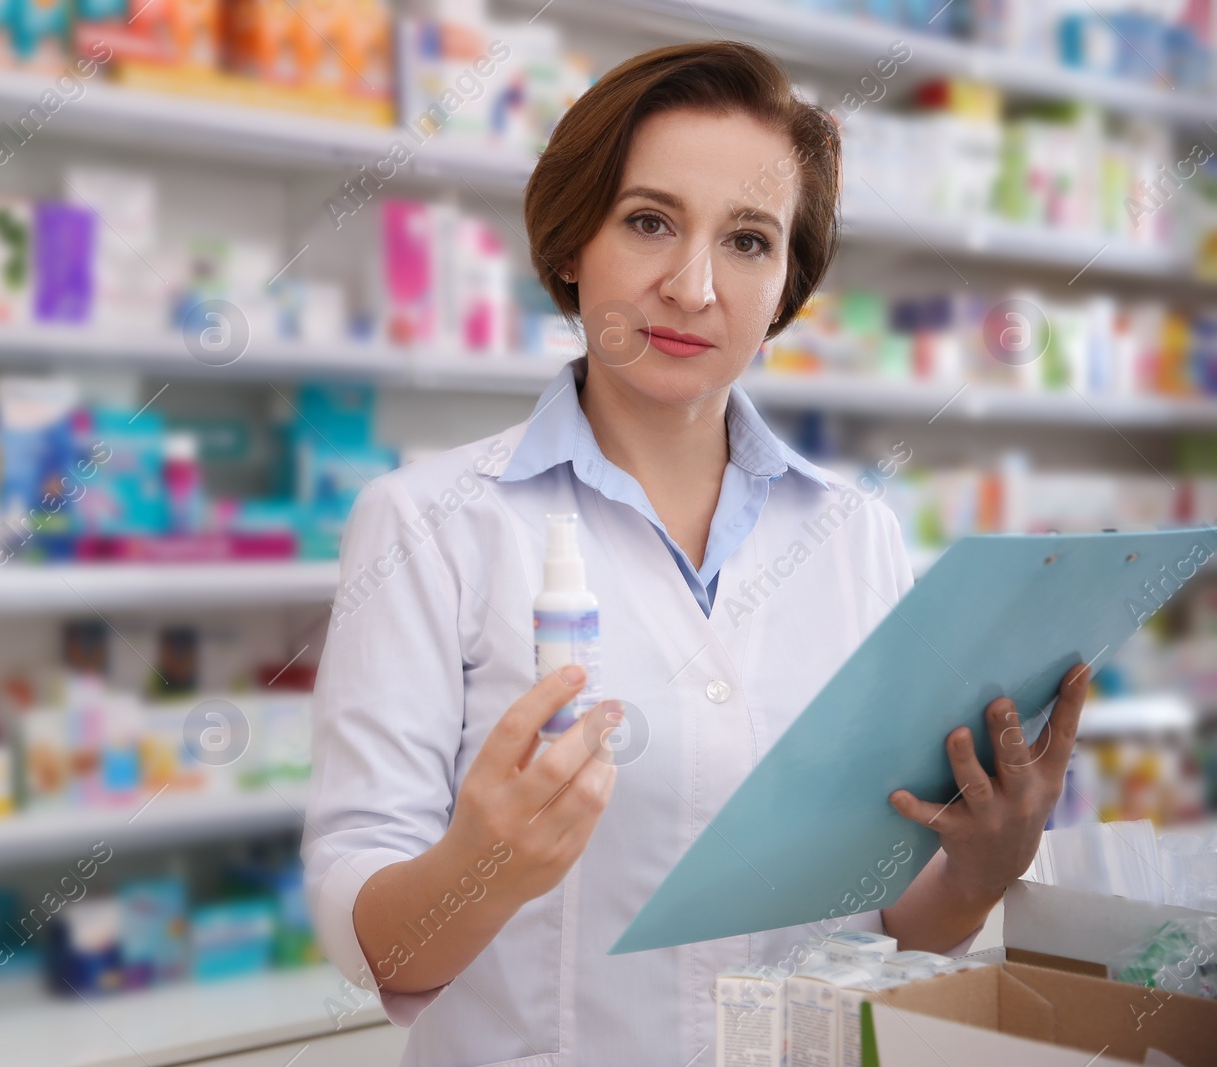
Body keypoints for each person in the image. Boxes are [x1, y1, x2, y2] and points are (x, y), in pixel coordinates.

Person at [303, 40, 1088, 1065]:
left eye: (749, 241)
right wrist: (481, 865)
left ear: (785, 286)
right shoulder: (426, 521)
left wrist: (978, 870)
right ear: (572, 242)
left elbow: (880, 926)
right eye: (648, 221)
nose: (693, 284)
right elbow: (368, 940)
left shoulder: (856, 536)